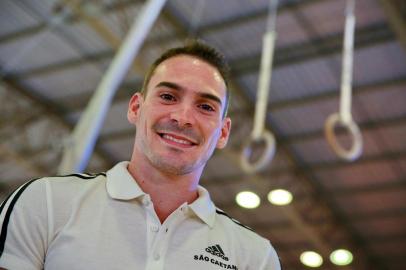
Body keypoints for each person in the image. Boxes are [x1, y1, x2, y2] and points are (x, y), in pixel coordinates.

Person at [0, 40, 281, 270]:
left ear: (223, 132)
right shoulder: (44, 203)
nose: (183, 118)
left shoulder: (254, 257)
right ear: (136, 107)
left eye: (206, 107)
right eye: (168, 97)